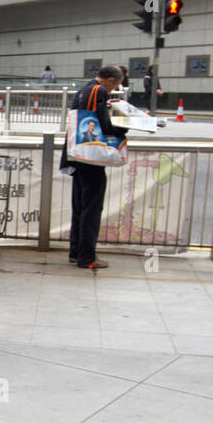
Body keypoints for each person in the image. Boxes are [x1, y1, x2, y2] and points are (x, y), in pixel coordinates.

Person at [62, 65, 130, 270]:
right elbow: (104, 126)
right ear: (109, 81)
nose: (112, 90)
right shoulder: (98, 91)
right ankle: (86, 257)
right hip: (91, 158)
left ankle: (76, 253)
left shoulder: (84, 89)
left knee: (80, 207)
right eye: (115, 86)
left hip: (78, 156)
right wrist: (127, 122)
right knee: (91, 209)